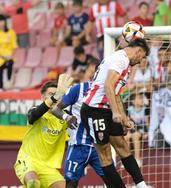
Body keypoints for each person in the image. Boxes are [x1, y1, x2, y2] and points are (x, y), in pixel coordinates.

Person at [80, 38, 149, 188]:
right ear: (139, 51)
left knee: (122, 145)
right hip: (94, 110)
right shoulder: (121, 60)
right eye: (142, 57)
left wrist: (123, 118)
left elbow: (115, 93)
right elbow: (108, 85)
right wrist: (116, 114)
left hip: (106, 108)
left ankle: (141, 184)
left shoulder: (123, 62)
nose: (141, 61)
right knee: (105, 154)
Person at [52, 62, 113, 188]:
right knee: (70, 183)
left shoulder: (111, 93)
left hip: (100, 147)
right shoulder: (78, 89)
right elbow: (56, 109)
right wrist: (66, 117)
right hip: (78, 146)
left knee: (112, 181)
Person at [14, 74, 75, 188]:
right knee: (33, 183)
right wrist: (54, 98)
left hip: (48, 168)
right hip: (28, 161)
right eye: (51, 94)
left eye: (59, 95)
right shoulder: (36, 112)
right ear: (42, 97)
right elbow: (33, 115)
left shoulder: (65, 118)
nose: (56, 98)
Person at [0, 14, 17, 89]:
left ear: (5, 22)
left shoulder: (11, 32)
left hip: (9, 56)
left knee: (9, 63)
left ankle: (9, 82)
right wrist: (2, 56)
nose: (1, 23)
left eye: (2, 21)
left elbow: (14, 46)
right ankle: (0, 87)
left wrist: (10, 56)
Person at [125, 93, 149, 167]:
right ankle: (127, 161)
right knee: (126, 137)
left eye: (142, 98)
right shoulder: (129, 110)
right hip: (132, 129)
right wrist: (128, 132)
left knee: (135, 136)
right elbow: (127, 123)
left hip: (142, 130)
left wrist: (147, 133)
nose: (142, 100)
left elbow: (147, 123)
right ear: (133, 101)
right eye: (139, 98)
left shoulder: (145, 109)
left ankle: (137, 159)